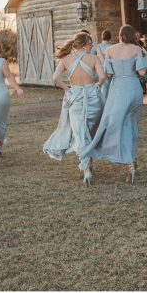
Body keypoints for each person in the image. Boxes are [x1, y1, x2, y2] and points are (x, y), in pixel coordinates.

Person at [78, 24, 147, 184]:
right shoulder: (137, 50)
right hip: (134, 89)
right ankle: (132, 162)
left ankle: (129, 162)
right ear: (132, 36)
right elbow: (142, 72)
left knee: (114, 123)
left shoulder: (110, 50)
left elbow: (108, 74)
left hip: (117, 89)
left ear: (120, 35)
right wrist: (146, 57)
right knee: (131, 125)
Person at [43, 30, 106, 185]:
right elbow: (103, 77)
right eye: (90, 44)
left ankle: (87, 170)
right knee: (90, 131)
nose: (91, 46)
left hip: (76, 97)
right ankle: (88, 162)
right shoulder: (94, 58)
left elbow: (56, 78)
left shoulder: (65, 59)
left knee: (80, 132)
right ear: (85, 45)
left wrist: (68, 89)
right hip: (93, 97)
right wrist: (97, 85)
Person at [96, 29, 113, 101]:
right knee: (111, 86)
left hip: (101, 68)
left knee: (103, 87)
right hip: (111, 68)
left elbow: (100, 58)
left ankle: (103, 102)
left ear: (102, 37)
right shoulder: (112, 46)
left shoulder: (98, 46)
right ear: (110, 37)